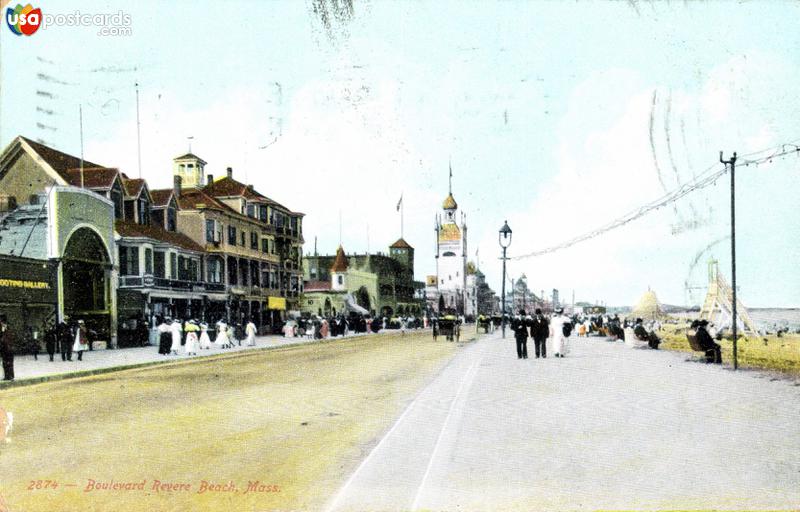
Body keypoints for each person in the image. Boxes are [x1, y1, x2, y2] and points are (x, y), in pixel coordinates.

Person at [0, 314, 15, 381]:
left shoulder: (7, 328)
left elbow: (6, 338)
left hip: (7, 348)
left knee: (8, 363)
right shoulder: (4, 328)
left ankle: (10, 376)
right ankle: (8, 376)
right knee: (6, 363)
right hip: (6, 348)